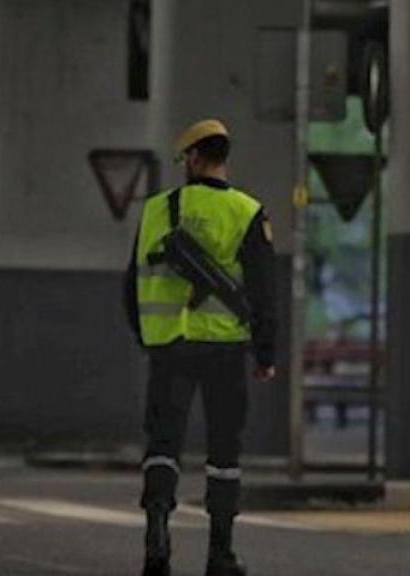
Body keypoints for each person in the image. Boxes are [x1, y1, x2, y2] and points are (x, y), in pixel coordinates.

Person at [124, 119, 277, 576]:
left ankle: (156, 538)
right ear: (223, 157)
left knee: (163, 442)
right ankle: (220, 552)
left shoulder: (155, 210)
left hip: (169, 346)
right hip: (225, 348)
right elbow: (265, 291)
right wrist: (266, 353)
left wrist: (146, 335)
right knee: (224, 451)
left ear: (192, 157)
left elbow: (130, 284)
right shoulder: (248, 211)